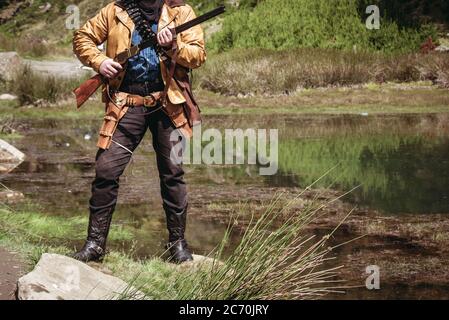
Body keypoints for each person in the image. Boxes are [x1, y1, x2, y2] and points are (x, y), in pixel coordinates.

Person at [72, 0, 205, 264]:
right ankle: (95, 244)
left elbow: (198, 55)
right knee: (106, 171)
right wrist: (99, 62)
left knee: (173, 174)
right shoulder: (115, 9)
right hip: (125, 104)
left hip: (168, 104)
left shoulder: (181, 11)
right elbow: (83, 37)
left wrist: (173, 46)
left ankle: (177, 244)